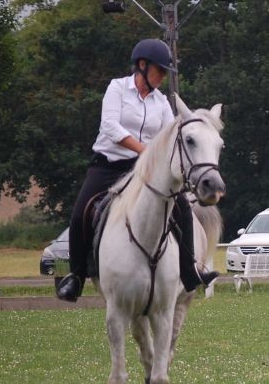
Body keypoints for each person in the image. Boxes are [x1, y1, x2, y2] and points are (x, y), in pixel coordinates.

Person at [56, 38, 218, 302]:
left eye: (165, 72)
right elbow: (110, 127)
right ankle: (76, 277)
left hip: (144, 170)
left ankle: (189, 271)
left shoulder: (161, 102)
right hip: (108, 165)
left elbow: (170, 134)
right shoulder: (117, 88)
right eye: (160, 70)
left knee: (183, 208)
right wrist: (145, 151)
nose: (163, 76)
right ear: (142, 65)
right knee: (79, 213)